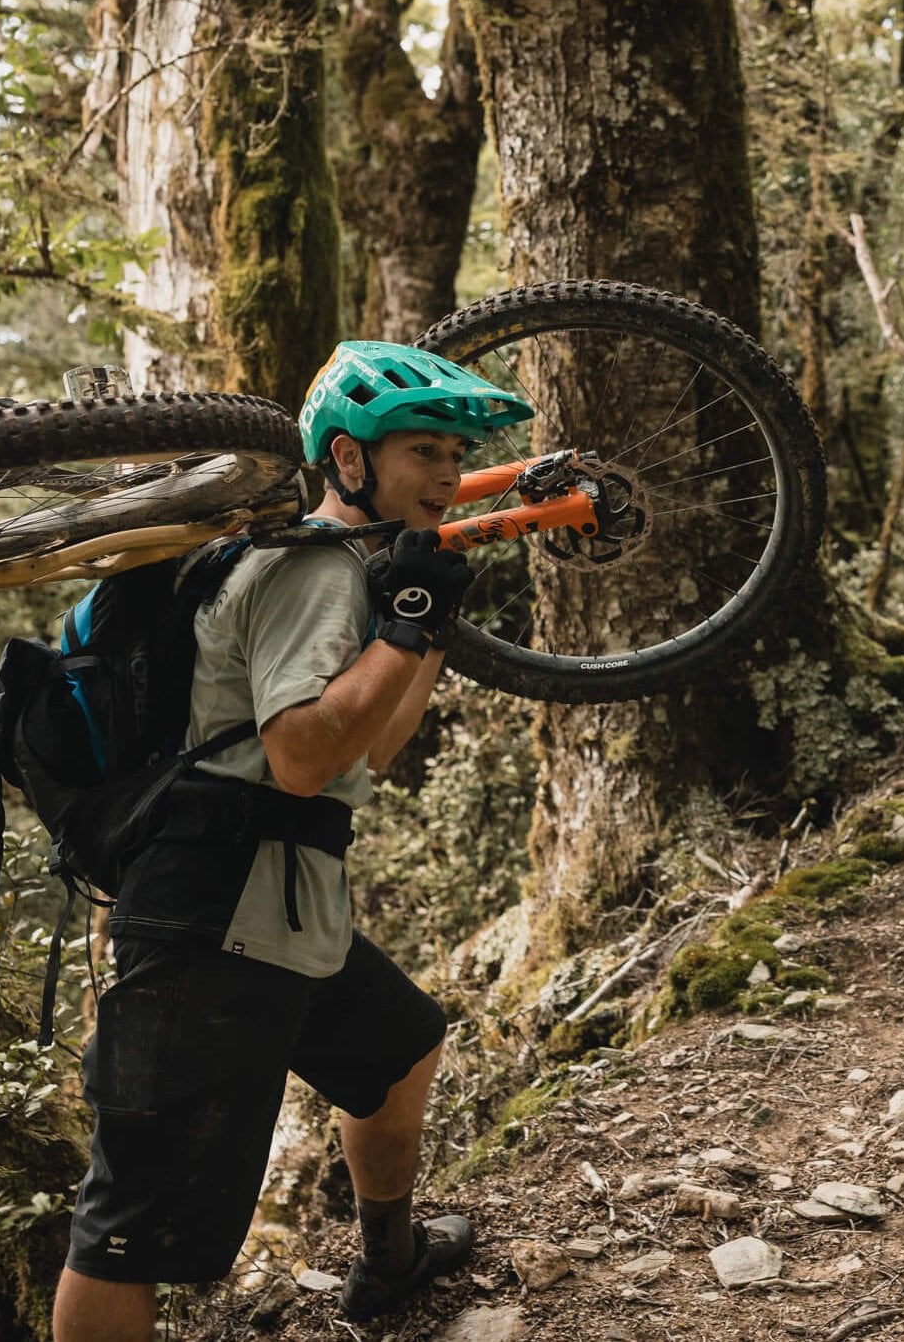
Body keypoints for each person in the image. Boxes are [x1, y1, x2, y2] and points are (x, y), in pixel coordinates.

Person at [52, 341, 534, 1342]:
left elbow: (372, 748)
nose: (447, 473)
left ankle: (390, 1262)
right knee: (127, 1224)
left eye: (454, 452)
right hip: (210, 913)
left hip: (277, 909)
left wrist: (426, 628)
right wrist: (401, 627)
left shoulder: (353, 576)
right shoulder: (310, 570)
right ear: (349, 463)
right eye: (421, 452)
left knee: (399, 1048)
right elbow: (301, 758)